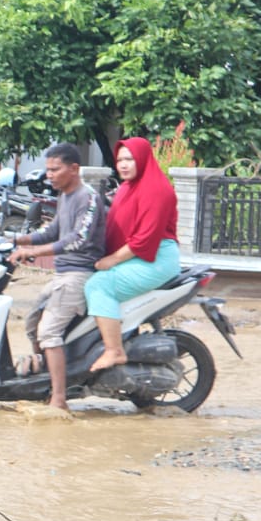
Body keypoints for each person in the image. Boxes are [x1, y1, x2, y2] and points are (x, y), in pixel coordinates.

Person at [9, 143, 104, 411]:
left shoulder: (88, 198)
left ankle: (59, 399)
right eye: (47, 169)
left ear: (74, 169)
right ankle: (44, 379)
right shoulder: (64, 197)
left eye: (55, 169)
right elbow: (52, 232)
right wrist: (15, 239)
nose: (49, 175)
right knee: (32, 323)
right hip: (62, 273)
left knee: (48, 332)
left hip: (78, 274)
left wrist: (34, 250)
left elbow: (78, 239)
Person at [86, 137, 180, 373]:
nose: (123, 165)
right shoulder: (127, 188)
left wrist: (112, 260)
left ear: (143, 159)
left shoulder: (157, 189)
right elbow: (114, 227)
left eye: (129, 159)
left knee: (99, 286)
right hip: (134, 255)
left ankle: (114, 350)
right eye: (119, 160)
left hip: (156, 258)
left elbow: (145, 238)